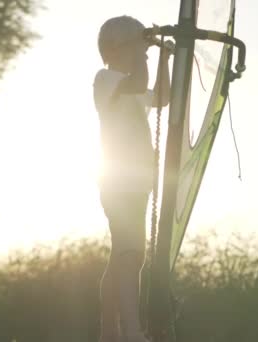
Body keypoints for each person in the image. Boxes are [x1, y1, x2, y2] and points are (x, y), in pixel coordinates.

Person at [93, 15, 170, 342]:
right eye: (133, 49)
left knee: (124, 256)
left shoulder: (131, 83)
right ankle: (131, 332)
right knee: (130, 253)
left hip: (136, 184)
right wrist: (143, 52)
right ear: (112, 51)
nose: (139, 56)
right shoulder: (106, 79)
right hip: (119, 181)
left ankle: (110, 332)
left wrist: (164, 58)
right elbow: (139, 83)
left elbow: (162, 96)